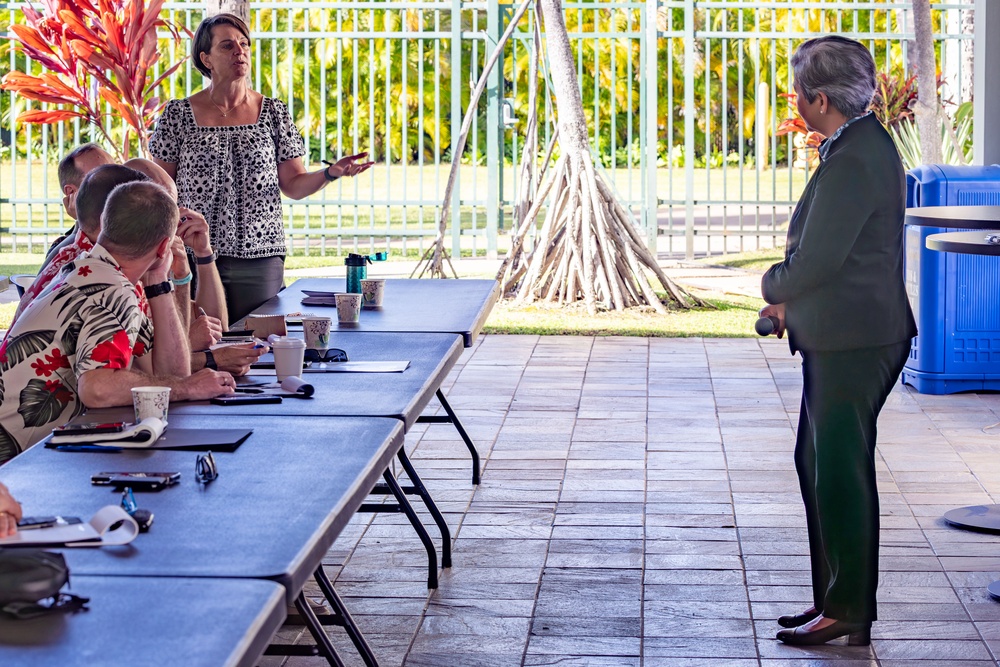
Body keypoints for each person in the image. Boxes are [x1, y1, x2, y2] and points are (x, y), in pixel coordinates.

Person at [759, 36, 917, 647]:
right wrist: (794, 298)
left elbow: (818, 259)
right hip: (846, 332)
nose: (797, 102)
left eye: (800, 93)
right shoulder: (856, 144)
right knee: (818, 462)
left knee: (839, 471)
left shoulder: (854, 157)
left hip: (856, 339)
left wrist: (774, 285)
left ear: (819, 98)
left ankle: (849, 606)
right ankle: (836, 598)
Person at [149, 13, 374, 323]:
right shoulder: (177, 115)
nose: (239, 52)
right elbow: (160, 189)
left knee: (259, 341)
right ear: (206, 58)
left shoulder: (273, 113)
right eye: (227, 46)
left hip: (259, 258)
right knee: (197, 337)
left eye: (244, 44)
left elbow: (293, 184)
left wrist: (330, 173)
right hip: (190, 256)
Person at [0, 182, 236, 462]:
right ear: (164, 246)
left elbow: (171, 372)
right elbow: (97, 388)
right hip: (14, 465)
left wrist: (158, 281)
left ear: (105, 224)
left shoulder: (94, 268)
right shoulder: (112, 289)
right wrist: (189, 389)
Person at [43, 143, 114, 267]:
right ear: (71, 193)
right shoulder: (63, 248)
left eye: (116, 170)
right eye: (102, 177)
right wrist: (83, 223)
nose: (117, 182)